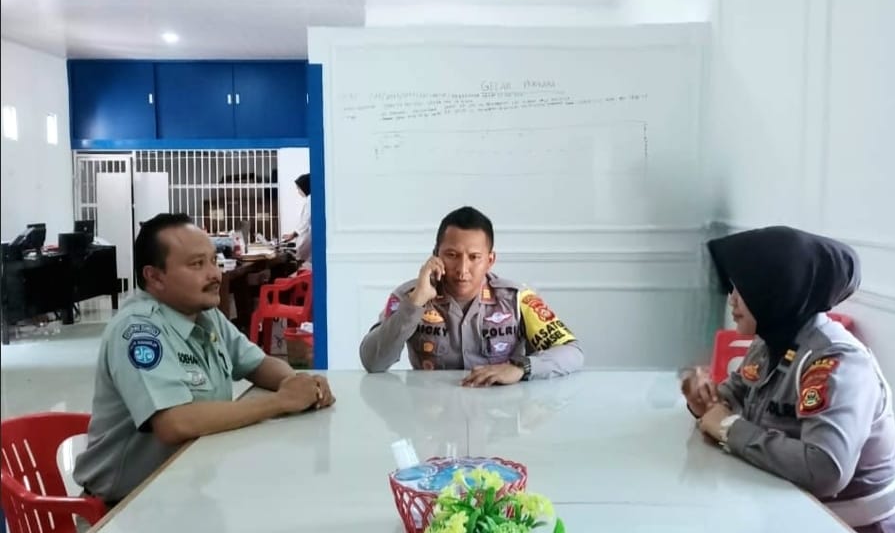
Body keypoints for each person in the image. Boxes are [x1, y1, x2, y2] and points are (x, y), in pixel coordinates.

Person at [73, 213, 335, 506]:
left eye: (213, 260)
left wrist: (296, 383)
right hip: (125, 505)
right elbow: (174, 423)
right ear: (154, 277)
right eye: (197, 264)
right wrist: (281, 401)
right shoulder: (138, 332)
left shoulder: (204, 314)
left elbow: (258, 364)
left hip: (186, 487)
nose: (215, 274)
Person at [680, 225, 895, 533]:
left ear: (778, 290)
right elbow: (732, 396)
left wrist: (727, 427)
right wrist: (704, 399)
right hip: (799, 514)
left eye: (744, 289)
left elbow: (825, 470)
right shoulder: (770, 342)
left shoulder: (837, 362)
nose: (732, 299)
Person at [359, 206, 583, 386]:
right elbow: (372, 362)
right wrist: (415, 303)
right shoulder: (409, 296)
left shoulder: (516, 299)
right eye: (452, 255)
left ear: (490, 260)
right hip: (430, 418)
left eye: (474, 257)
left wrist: (520, 368)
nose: (462, 269)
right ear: (436, 255)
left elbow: (572, 352)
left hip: (500, 415)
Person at [282, 173, 311, 263]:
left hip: (307, 238)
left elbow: (306, 221)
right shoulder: (309, 199)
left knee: (303, 261)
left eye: (299, 188)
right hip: (306, 238)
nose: (298, 191)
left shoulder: (310, 200)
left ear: (305, 187)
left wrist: (294, 234)